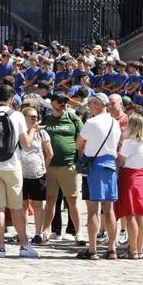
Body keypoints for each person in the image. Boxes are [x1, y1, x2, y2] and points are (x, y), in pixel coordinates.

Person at [0, 84, 40, 258]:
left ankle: (1, 247)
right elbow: (26, 145)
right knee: (17, 208)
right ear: (11, 99)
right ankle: (24, 245)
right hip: (12, 166)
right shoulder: (17, 116)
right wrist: (32, 130)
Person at [76, 93, 121, 260]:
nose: (89, 106)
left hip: (94, 166)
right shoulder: (114, 123)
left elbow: (78, 143)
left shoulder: (91, 122)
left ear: (97, 104)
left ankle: (93, 248)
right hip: (110, 164)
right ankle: (111, 248)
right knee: (109, 210)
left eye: (91, 104)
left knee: (93, 210)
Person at [39, 92, 83, 243]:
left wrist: (78, 163)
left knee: (72, 200)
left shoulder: (73, 118)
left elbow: (82, 140)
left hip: (69, 165)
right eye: (59, 101)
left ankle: (78, 232)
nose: (63, 104)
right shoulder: (47, 119)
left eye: (65, 101)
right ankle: (47, 230)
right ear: (52, 103)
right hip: (50, 166)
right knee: (50, 199)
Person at [115, 113, 143, 259]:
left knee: (130, 215)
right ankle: (139, 248)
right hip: (141, 177)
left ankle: (133, 249)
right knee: (141, 215)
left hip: (129, 177)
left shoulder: (129, 143)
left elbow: (120, 161)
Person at [20, 106, 53, 244]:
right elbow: (24, 146)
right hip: (20, 174)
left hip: (37, 174)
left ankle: (38, 233)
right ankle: (22, 232)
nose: (35, 119)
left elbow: (50, 153)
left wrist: (43, 167)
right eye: (32, 117)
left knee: (38, 204)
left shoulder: (42, 133)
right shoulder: (19, 132)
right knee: (22, 205)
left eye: (36, 117)